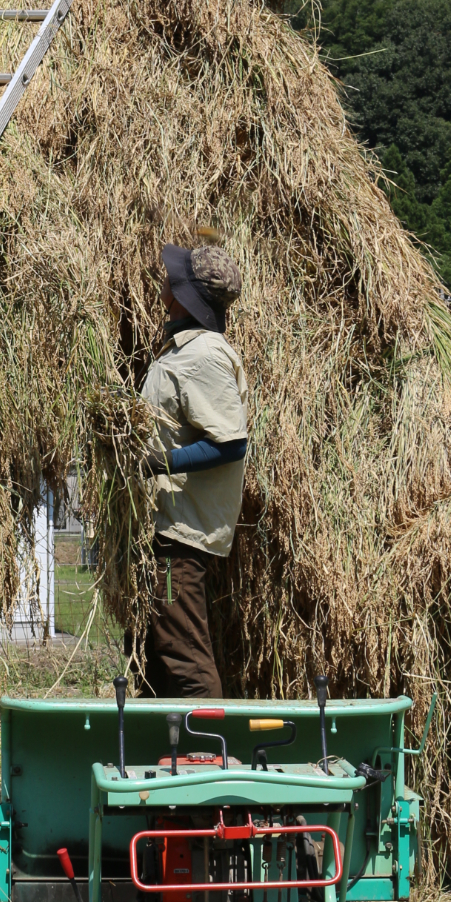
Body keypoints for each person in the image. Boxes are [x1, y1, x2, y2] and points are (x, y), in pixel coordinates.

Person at [137, 243, 249, 697]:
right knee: (155, 648)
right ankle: (165, 757)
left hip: (180, 535)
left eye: (173, 278)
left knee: (182, 652)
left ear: (185, 295)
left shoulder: (204, 355)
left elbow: (231, 442)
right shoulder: (182, 349)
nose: (165, 280)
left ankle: (207, 756)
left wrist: (157, 462)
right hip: (166, 528)